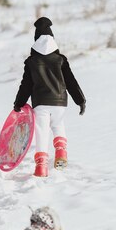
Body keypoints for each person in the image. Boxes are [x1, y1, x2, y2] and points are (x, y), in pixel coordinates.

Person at [13, 17, 86, 177]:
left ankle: (41, 167)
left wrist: (19, 103)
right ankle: (61, 152)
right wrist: (80, 100)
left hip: (41, 103)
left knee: (41, 132)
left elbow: (25, 85)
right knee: (58, 125)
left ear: (36, 40)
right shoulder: (60, 60)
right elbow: (71, 81)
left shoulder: (31, 61)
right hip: (60, 102)